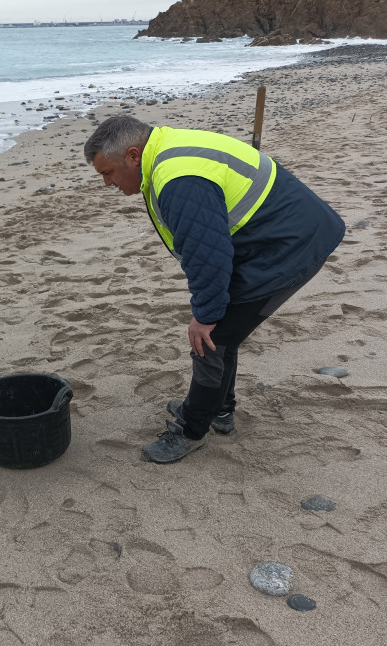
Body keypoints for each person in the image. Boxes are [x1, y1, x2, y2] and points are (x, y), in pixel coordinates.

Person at [83, 115, 345, 464]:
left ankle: (192, 430)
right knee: (224, 331)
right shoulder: (166, 147)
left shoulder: (177, 178)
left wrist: (204, 316)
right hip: (273, 237)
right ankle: (220, 409)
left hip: (288, 248)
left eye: (108, 173)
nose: (106, 183)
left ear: (133, 155)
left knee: (210, 340)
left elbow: (208, 255)